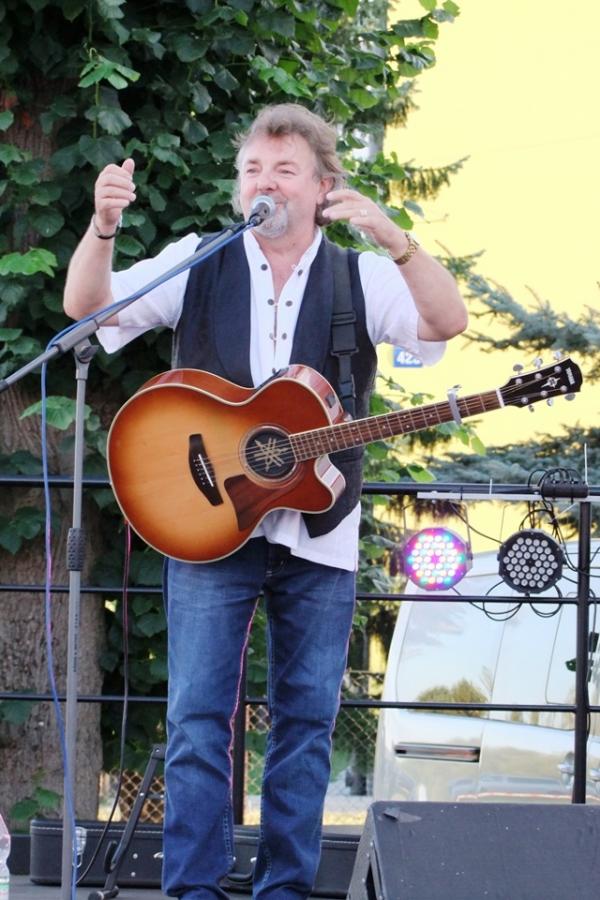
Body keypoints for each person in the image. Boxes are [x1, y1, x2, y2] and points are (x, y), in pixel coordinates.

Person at [63, 103, 467, 899]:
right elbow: (88, 308)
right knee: (195, 721)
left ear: (323, 187)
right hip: (205, 522)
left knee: (306, 725)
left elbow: (445, 320)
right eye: (252, 169)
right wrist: (103, 227)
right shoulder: (199, 259)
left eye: (284, 170)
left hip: (322, 534)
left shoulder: (360, 274)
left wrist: (396, 240)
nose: (264, 182)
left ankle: (284, 890)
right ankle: (194, 889)